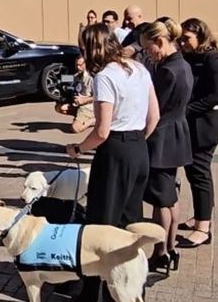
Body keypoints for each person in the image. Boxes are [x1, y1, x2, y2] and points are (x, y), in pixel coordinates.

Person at [66, 23, 159, 301]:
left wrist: (78, 148)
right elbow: (154, 116)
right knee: (130, 221)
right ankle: (132, 284)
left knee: (101, 223)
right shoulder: (139, 68)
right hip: (139, 149)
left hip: (115, 151)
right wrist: (136, 140)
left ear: (92, 48)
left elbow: (103, 130)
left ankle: (94, 292)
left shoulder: (104, 76)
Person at [140, 19, 193, 272]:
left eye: (149, 48)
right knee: (170, 197)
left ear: (160, 42)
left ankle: (162, 252)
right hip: (177, 134)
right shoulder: (183, 64)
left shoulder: (167, 71)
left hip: (161, 138)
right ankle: (170, 249)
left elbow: (154, 110)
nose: (148, 54)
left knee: (161, 200)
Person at [176, 18, 218, 248]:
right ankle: (200, 216)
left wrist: (187, 110)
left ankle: (204, 228)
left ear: (200, 36)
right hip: (191, 123)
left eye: (187, 38)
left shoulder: (212, 58)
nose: (182, 42)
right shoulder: (190, 57)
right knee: (193, 173)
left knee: (200, 173)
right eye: (180, 38)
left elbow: (215, 95)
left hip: (205, 124)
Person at [54, 56, 95, 133]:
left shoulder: (91, 78)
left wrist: (85, 100)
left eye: (80, 65)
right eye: (76, 65)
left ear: (86, 64)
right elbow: (67, 78)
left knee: (75, 129)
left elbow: (98, 96)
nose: (77, 67)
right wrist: (55, 78)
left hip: (88, 106)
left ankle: (94, 119)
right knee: (60, 107)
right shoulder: (78, 75)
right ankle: (79, 118)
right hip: (77, 103)